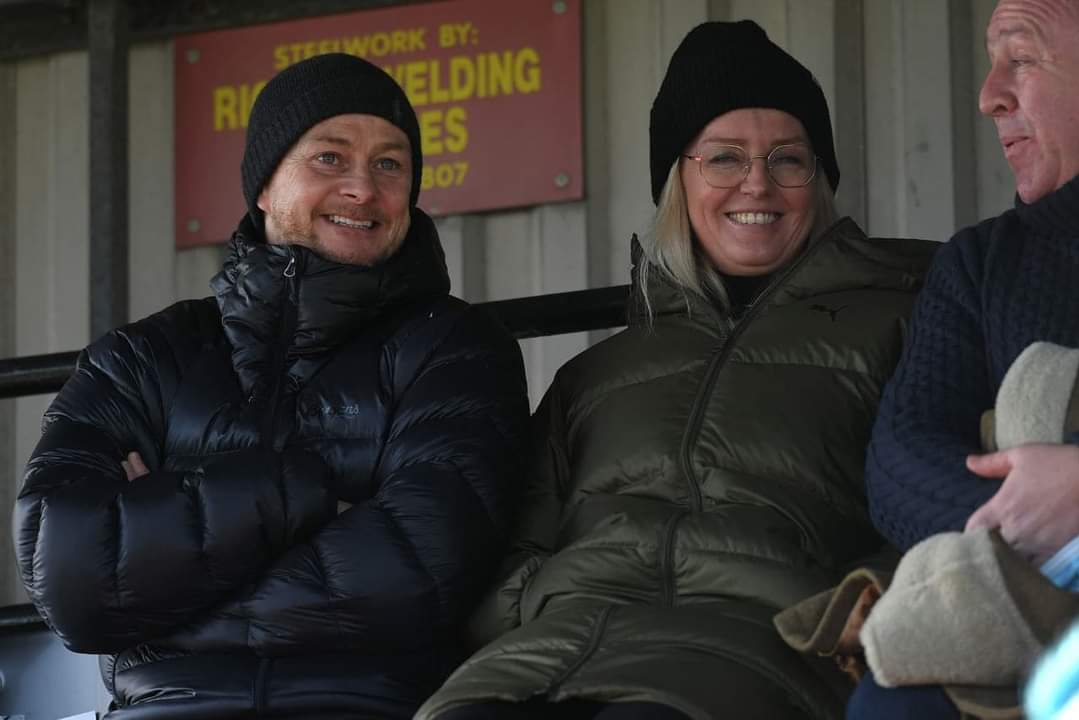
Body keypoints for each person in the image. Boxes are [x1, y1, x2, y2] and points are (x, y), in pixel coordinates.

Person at [415, 20, 937, 720]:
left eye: (789, 158)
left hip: (750, 648)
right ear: (678, 181)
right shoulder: (596, 374)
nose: (759, 182)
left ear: (819, 180)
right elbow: (514, 543)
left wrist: (858, 603)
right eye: (724, 157)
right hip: (549, 650)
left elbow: (941, 509)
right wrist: (537, 600)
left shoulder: (905, 325)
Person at [12, 53, 529, 719]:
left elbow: (417, 576)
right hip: (165, 707)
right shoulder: (143, 356)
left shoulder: (455, 347)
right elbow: (72, 578)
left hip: (365, 706)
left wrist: (163, 553)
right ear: (262, 185)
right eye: (329, 158)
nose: (362, 188)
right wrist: (311, 495)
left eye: (390, 165)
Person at [858, 0, 1079, 716]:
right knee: (895, 704)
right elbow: (900, 459)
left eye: (1021, 57)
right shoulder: (983, 262)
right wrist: (1029, 518)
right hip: (1018, 598)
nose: (989, 96)